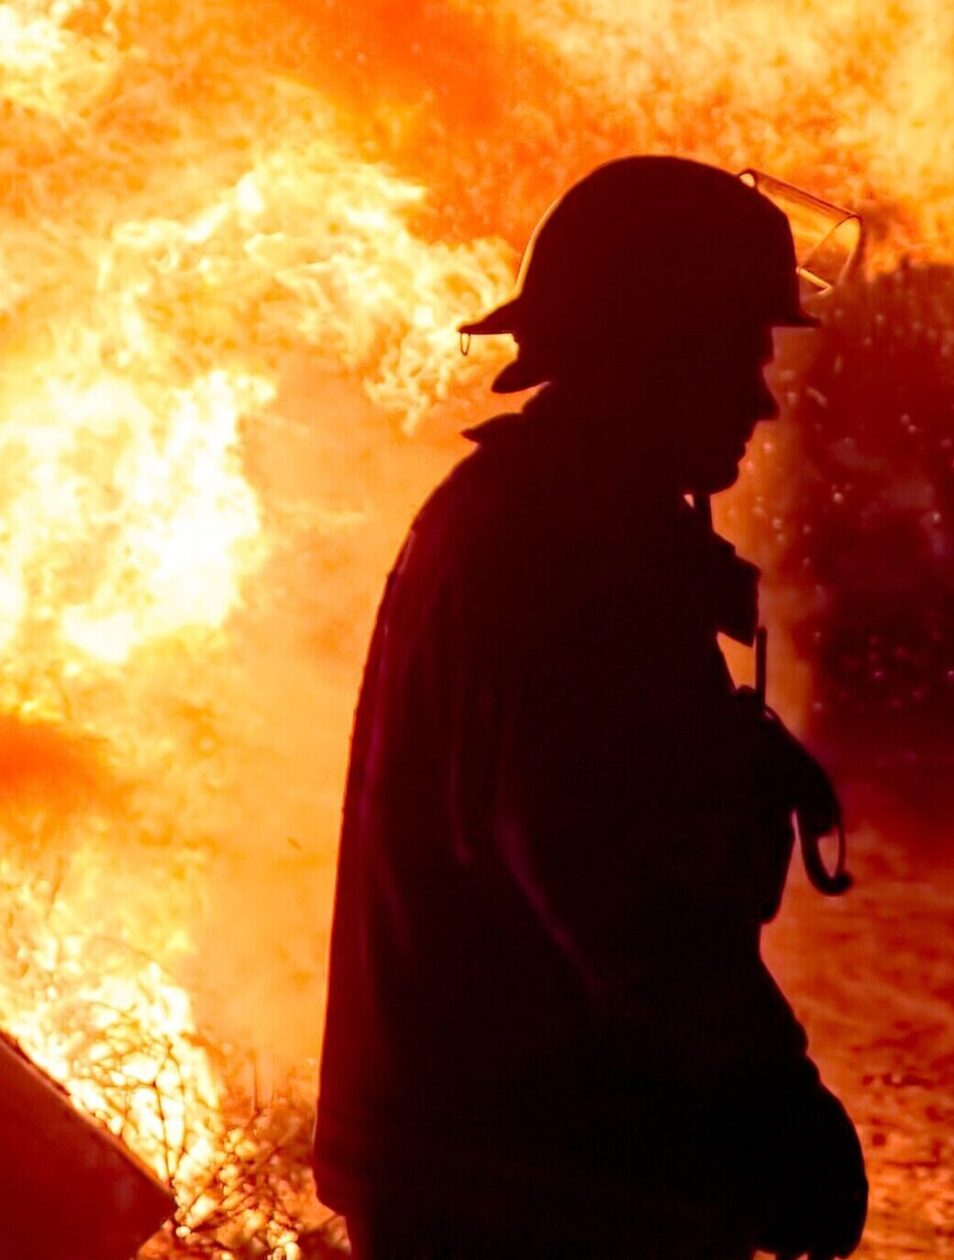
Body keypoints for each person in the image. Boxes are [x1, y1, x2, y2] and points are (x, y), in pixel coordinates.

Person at [313, 156, 867, 1259]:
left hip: (470, 1170)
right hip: (528, 1197)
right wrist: (779, 1111)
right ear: (651, 355)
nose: (761, 399)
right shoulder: (571, 558)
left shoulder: (520, 516)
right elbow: (625, 906)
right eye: (737, 354)